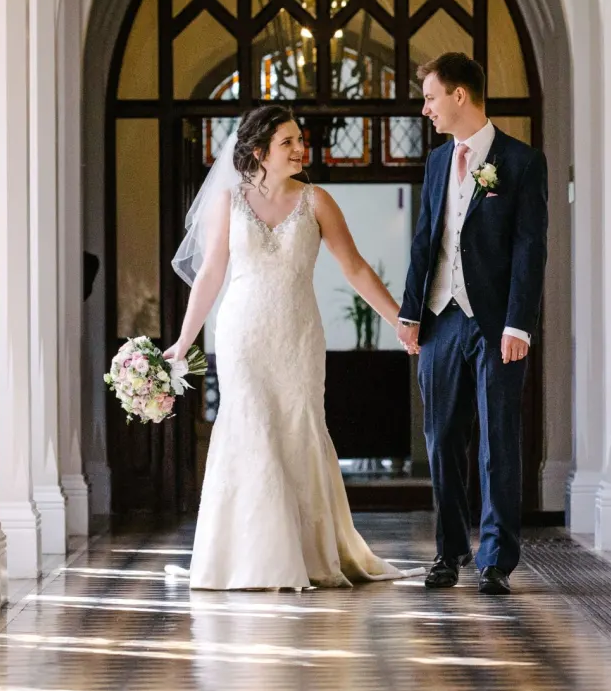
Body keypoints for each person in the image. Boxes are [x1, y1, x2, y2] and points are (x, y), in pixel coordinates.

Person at [163, 104, 409, 590]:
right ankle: (251, 559)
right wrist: (183, 340)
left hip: (297, 334)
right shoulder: (228, 202)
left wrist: (400, 321)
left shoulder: (317, 201)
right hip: (242, 336)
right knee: (249, 428)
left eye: (300, 140)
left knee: (298, 428)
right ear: (260, 152)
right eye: (288, 142)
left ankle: (308, 554)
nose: (300, 149)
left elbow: (355, 268)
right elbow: (211, 273)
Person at [396, 52, 548, 595]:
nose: (426, 108)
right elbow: (425, 242)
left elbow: (531, 251)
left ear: (460, 95)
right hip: (440, 321)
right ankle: (449, 550)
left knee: (498, 441)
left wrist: (518, 325)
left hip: (493, 324)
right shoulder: (438, 162)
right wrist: (410, 313)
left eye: (431, 97)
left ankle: (496, 559)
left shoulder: (521, 162)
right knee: (440, 440)